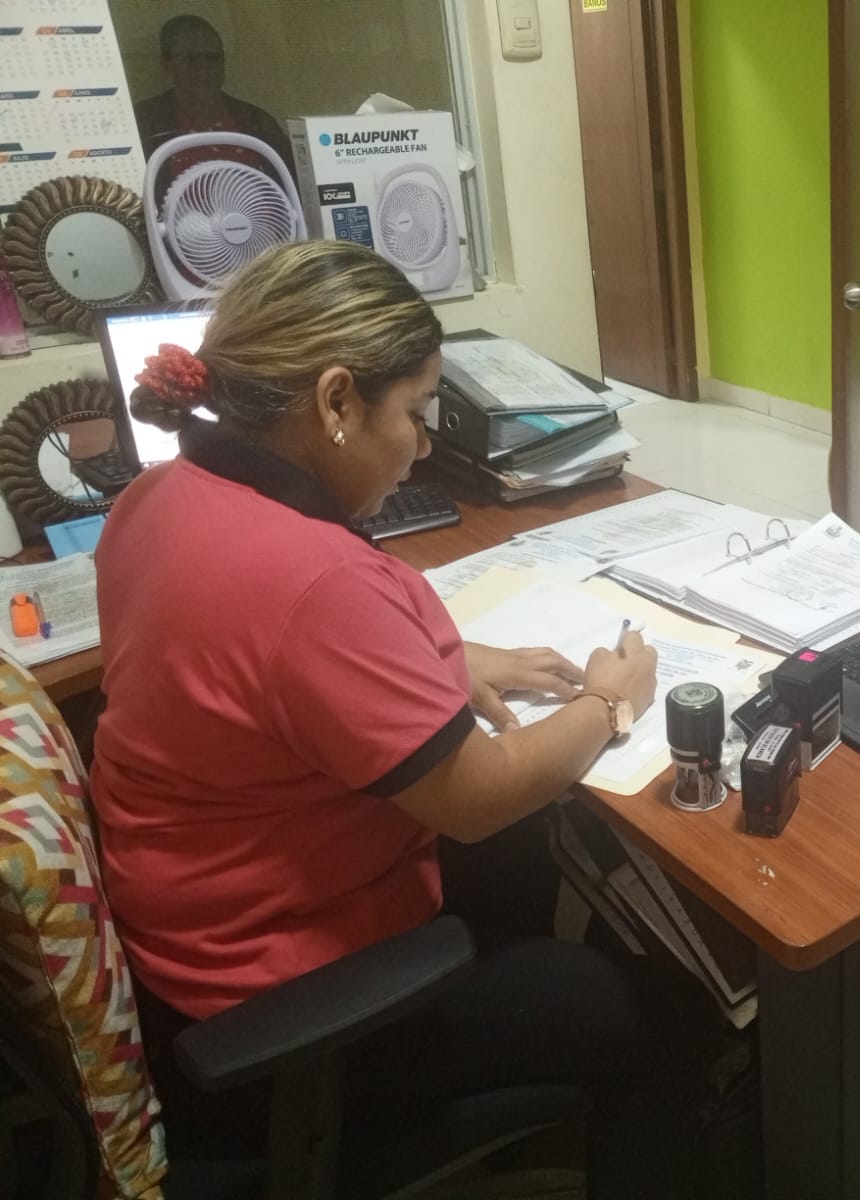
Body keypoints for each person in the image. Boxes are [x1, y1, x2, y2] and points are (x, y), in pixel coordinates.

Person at [91, 240, 756, 1196]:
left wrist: (444, 658)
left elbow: (240, 663)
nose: (424, 445)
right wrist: (612, 700)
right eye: (414, 412)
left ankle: (523, 1097)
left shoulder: (160, 496)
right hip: (284, 1022)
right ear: (335, 402)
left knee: (531, 854)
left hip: (183, 951)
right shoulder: (317, 581)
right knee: (667, 1013)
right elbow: (476, 796)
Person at [134, 15, 297, 195]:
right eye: (190, 59)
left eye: (212, 58)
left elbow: (296, 189)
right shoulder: (145, 121)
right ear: (167, 65)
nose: (203, 70)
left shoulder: (257, 122)